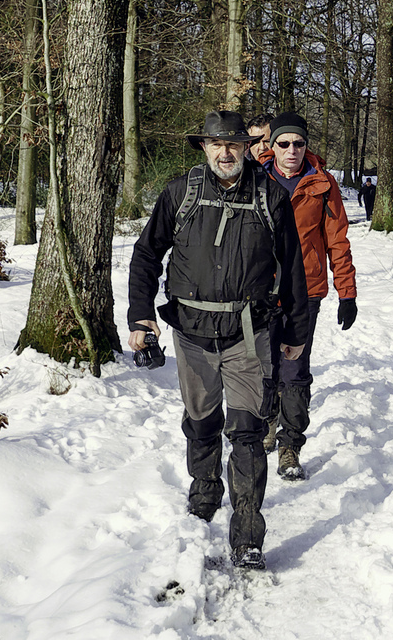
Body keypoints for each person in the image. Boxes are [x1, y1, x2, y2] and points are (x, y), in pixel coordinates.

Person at [126, 110, 308, 572]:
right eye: (216, 145)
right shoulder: (181, 192)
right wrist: (141, 315)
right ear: (204, 148)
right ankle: (204, 492)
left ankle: (247, 533)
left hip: (251, 334)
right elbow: (147, 253)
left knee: (247, 432)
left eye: (234, 145)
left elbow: (293, 268)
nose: (225, 153)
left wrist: (295, 334)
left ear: (247, 149)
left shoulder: (270, 195)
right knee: (202, 421)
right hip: (192, 334)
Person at [255, 111, 358, 481]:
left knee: (295, 369)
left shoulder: (323, 184)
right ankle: (265, 424)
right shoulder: (255, 180)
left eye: (299, 143)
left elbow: (337, 240)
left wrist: (347, 292)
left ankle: (290, 445)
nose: (292, 150)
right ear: (273, 146)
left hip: (306, 293)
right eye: (284, 143)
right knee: (263, 366)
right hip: (261, 290)